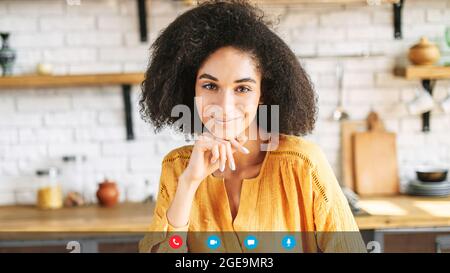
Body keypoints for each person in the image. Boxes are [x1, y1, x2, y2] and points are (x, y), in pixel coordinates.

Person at [138, 0, 365, 253]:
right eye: (210, 86)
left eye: (242, 88)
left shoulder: (302, 164)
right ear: (190, 89)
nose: (224, 105)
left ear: (263, 94)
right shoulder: (178, 168)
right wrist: (189, 183)